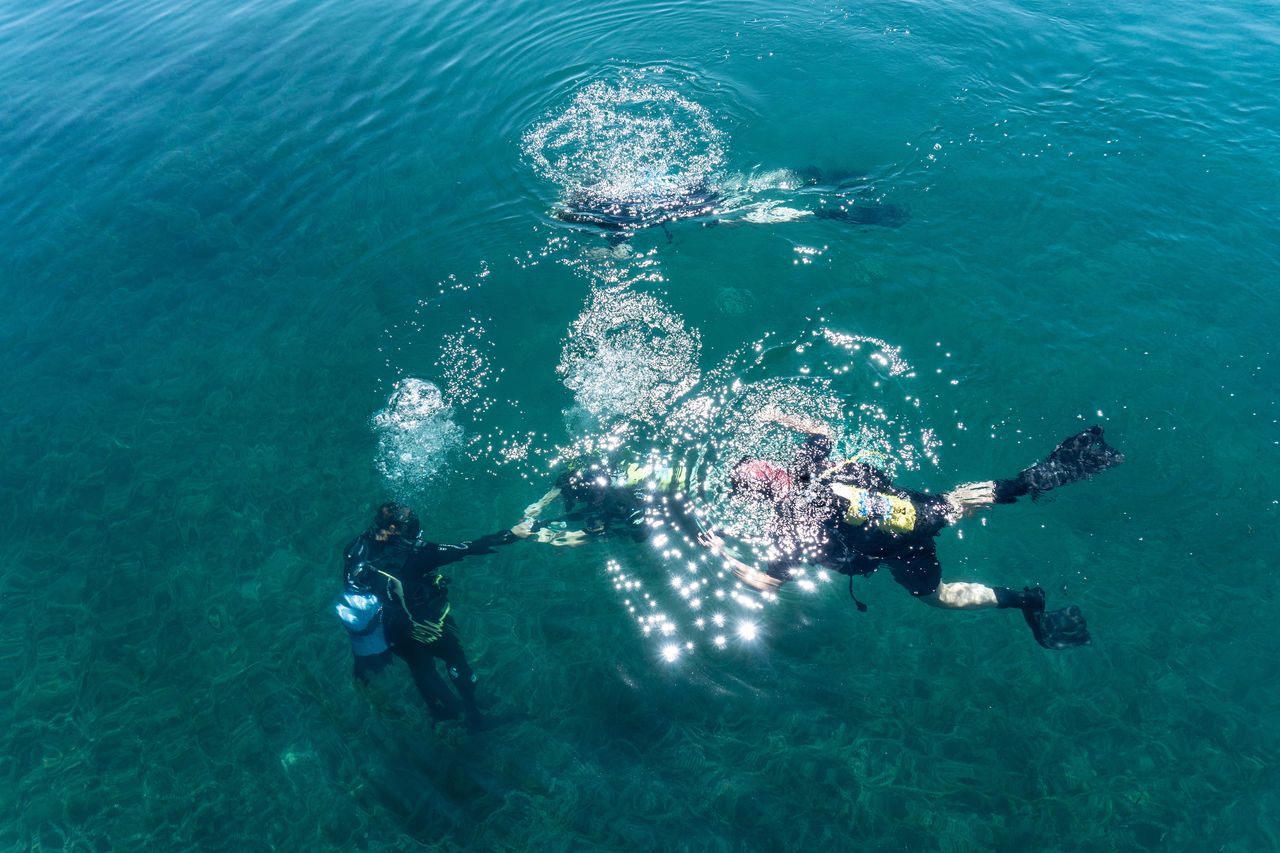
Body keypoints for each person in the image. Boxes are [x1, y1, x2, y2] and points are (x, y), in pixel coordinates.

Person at [711, 411, 1124, 649]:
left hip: (899, 551)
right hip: (912, 511)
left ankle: (1023, 601)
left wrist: (720, 553)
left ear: (758, 498)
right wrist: (775, 416)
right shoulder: (808, 467)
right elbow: (823, 431)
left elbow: (766, 584)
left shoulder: (788, 530)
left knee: (938, 598)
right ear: (776, 471)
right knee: (955, 502)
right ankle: (1038, 477)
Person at [337, 502, 517, 730]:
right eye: (412, 531)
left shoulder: (356, 546)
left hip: (385, 627)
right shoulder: (416, 553)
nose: (417, 536)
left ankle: (441, 713)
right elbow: (466, 548)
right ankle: (473, 714)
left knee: (421, 667)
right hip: (416, 622)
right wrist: (513, 534)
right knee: (454, 656)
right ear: (396, 529)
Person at [511, 454, 691, 545]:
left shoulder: (610, 514)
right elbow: (576, 538)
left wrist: (533, 531)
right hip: (614, 483)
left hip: (614, 484)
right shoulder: (614, 511)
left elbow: (576, 538)